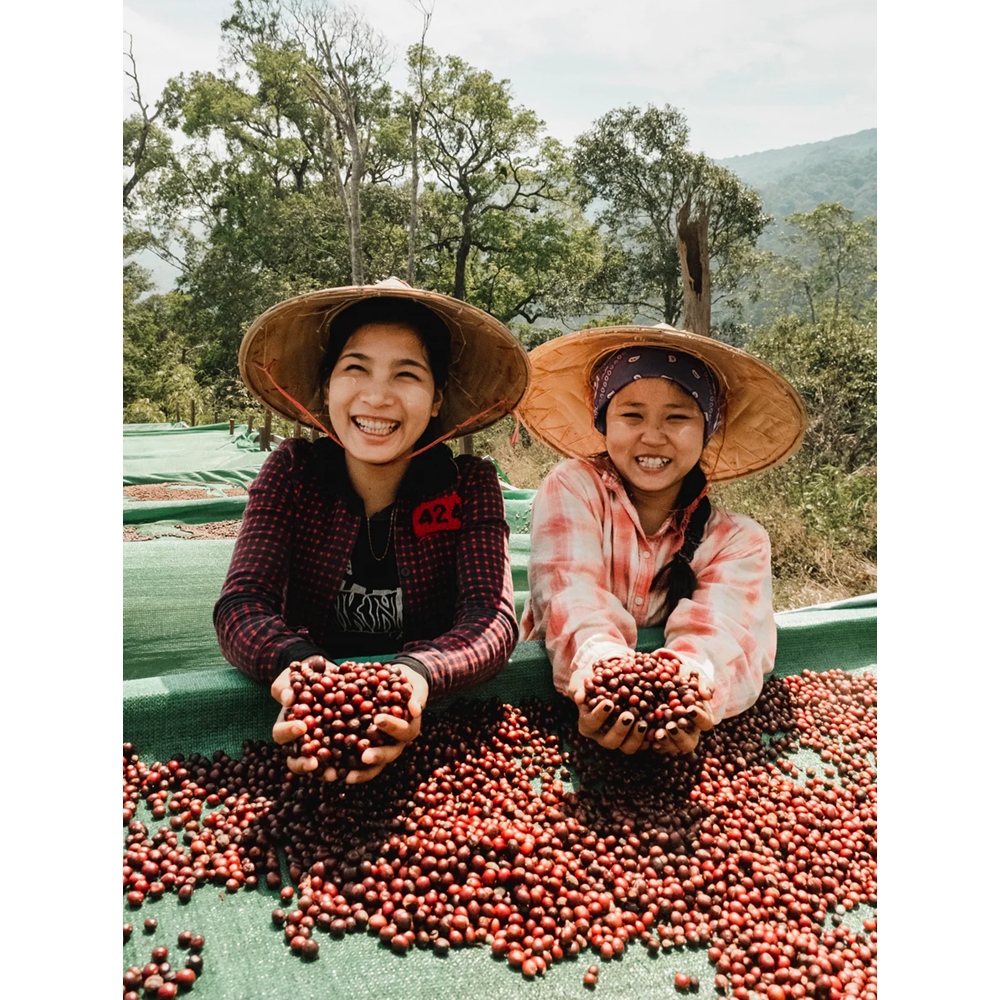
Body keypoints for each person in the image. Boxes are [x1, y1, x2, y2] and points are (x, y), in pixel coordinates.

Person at [215, 278, 530, 783]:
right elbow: (243, 604)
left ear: (435, 400)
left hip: (432, 717)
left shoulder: (469, 485)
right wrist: (298, 667)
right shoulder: (292, 473)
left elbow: (490, 618)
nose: (378, 396)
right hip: (309, 710)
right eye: (355, 369)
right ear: (326, 388)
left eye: (407, 375)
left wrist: (418, 675)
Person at [516, 325, 806, 756]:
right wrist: (602, 670)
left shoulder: (738, 541)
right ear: (604, 424)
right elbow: (569, 593)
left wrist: (686, 692)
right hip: (553, 696)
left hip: (667, 726)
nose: (653, 436)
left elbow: (724, 634)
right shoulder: (573, 488)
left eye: (677, 417)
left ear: (707, 429)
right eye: (631, 415)